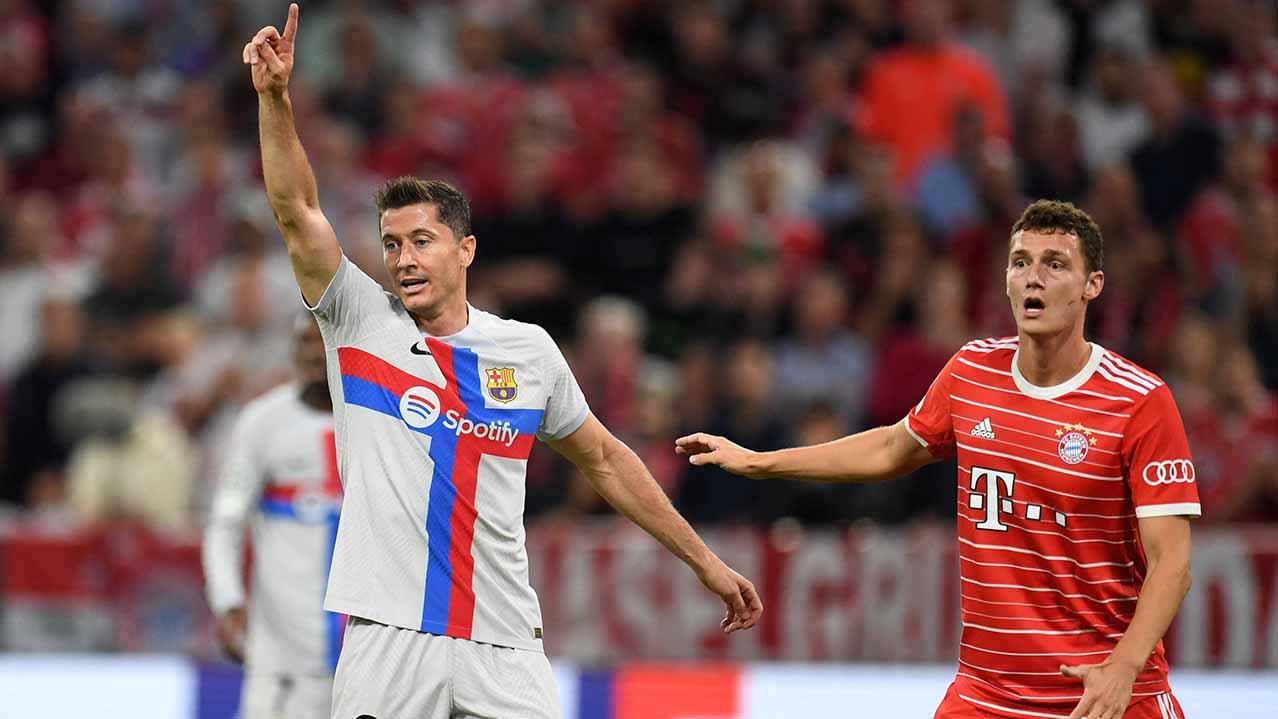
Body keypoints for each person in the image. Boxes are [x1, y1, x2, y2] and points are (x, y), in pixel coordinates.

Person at [242, 7, 761, 718]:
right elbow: (297, 209)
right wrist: (275, 100)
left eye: (422, 240)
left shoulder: (529, 351)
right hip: (390, 636)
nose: (403, 259)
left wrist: (704, 560)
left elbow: (605, 459)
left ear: (466, 250)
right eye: (392, 244)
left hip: (504, 640)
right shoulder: (358, 323)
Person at [679, 199, 1198, 719]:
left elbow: (1172, 562)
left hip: (1105, 693)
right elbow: (891, 447)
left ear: (1093, 285)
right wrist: (759, 461)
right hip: (986, 695)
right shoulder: (971, 372)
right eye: (1021, 263)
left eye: (1054, 264)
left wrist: (1124, 669)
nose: (1033, 278)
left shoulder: (1139, 401)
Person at [202, 316, 342, 718]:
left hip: (363, 655)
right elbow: (226, 521)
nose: (315, 352)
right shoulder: (262, 422)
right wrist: (227, 599)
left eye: (325, 341)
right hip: (282, 653)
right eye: (305, 341)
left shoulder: (377, 419)